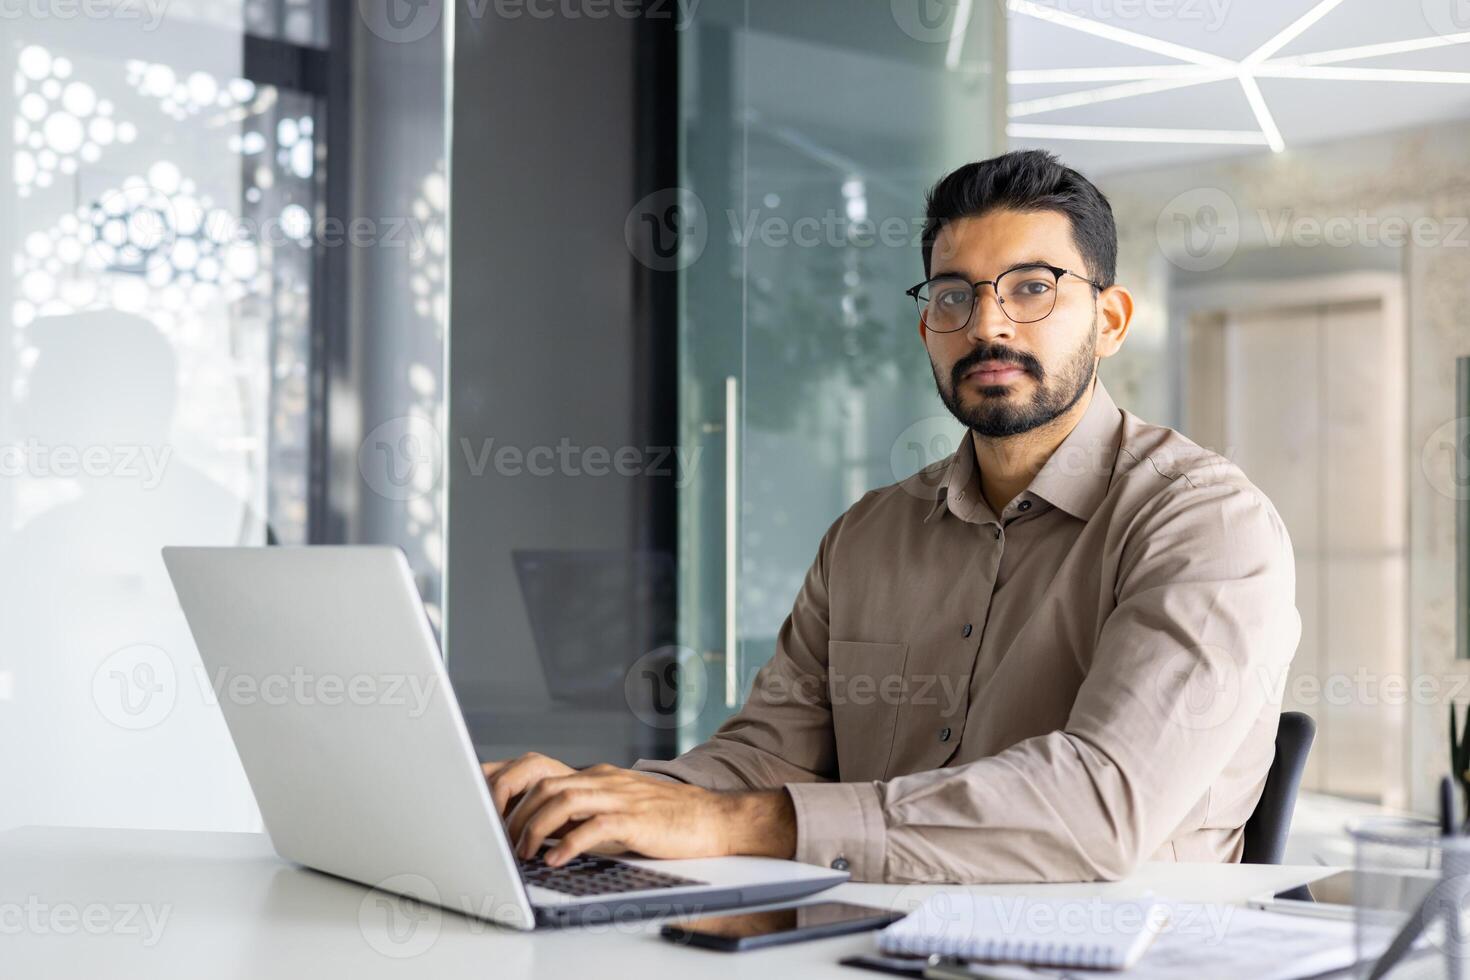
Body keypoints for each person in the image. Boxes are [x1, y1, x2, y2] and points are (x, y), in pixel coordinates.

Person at [482, 149, 1300, 884]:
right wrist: (597, 799)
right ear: (927, 327)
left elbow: (1100, 807)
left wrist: (731, 821)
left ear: (1110, 320)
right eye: (955, 295)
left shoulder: (1206, 525)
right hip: (871, 938)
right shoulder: (868, 536)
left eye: (1032, 288)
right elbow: (770, 755)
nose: (988, 324)